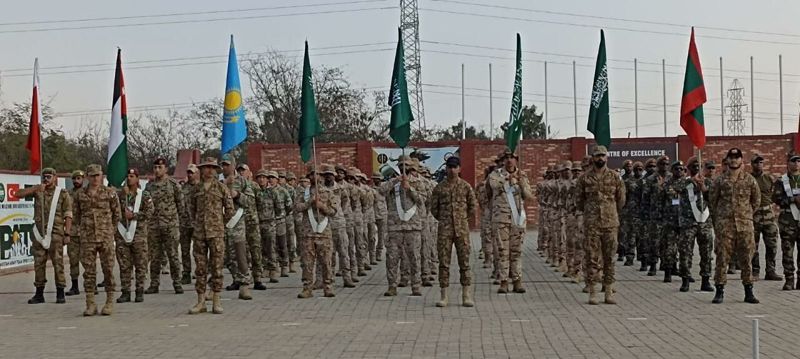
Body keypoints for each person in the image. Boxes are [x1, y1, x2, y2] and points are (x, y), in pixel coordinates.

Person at [709, 148, 760, 304]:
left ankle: (748, 290)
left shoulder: (750, 180)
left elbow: (756, 201)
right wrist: (719, 221)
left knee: (746, 259)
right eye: (731, 158)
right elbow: (713, 201)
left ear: (741, 160)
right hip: (725, 226)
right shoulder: (720, 180)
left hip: (745, 225)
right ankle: (719, 290)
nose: (733, 160)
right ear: (727, 161)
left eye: (736, 157)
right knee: (722, 258)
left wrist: (746, 215)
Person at [576, 146, 626, 305]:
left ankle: (609, 291)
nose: (600, 159)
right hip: (592, 224)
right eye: (597, 156)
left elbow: (621, 200)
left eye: (603, 156)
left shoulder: (615, 177)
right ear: (592, 158)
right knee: (592, 258)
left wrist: (611, 212)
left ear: (607, 157)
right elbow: (579, 201)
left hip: (610, 224)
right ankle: (592, 291)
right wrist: (591, 212)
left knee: (609, 258)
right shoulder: (584, 178)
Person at [15, 168, 73, 304]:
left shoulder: (62, 194)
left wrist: (67, 233)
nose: (46, 179)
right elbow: (18, 194)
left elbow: (68, 214)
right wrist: (35, 188)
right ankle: (39, 294)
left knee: (58, 263)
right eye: (44, 177)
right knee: (38, 264)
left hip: (56, 233)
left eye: (49, 176)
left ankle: (60, 293)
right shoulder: (38, 191)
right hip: (39, 233)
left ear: (55, 178)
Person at [188, 158, 235, 314]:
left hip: (216, 233)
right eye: (206, 167)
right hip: (200, 233)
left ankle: (216, 300)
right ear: (201, 170)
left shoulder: (221, 188)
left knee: (217, 267)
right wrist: (196, 224)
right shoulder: (196, 189)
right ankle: (201, 301)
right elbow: (191, 209)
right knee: (200, 268)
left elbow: (229, 210)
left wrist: (219, 223)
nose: (209, 170)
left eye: (212, 168)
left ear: (216, 170)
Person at [430, 156, 477, 307]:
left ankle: (466, 295)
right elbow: (434, 209)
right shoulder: (439, 188)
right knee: (444, 262)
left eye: (455, 167)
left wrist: (462, 219)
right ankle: (444, 295)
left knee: (464, 262)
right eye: (449, 167)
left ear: (459, 168)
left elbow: (472, 206)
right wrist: (445, 220)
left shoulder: (465, 187)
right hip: (445, 230)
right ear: (446, 168)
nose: (452, 170)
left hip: (461, 230)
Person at [74, 164, 120, 316]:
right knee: (89, 271)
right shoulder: (80, 194)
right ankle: (90, 303)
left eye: (98, 175)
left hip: (105, 236)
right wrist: (82, 230)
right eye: (92, 175)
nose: (95, 178)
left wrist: (110, 230)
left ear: (102, 176)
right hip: (88, 238)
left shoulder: (109, 193)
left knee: (108, 269)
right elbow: (77, 215)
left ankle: (109, 301)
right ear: (87, 177)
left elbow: (116, 214)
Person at [488, 149, 533, 294]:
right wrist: (508, 179)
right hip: (501, 218)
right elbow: (494, 186)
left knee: (517, 251)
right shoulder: (495, 175)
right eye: (506, 158)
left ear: (516, 159)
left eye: (512, 157)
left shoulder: (522, 175)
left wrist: (520, 182)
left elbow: (528, 196)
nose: (509, 160)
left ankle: (517, 280)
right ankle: (503, 281)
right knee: (503, 251)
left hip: (517, 219)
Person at [381, 155, 426, 296]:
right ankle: (392, 285)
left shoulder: (417, 182)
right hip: (395, 227)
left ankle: (416, 285)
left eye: (406, 165)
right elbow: (380, 191)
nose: (403, 168)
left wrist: (409, 188)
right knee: (392, 258)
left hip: (413, 227)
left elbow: (422, 200)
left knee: (414, 257)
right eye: (401, 166)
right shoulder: (393, 182)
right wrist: (396, 181)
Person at [295, 165, 337, 298]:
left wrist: (322, 207)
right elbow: (297, 207)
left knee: (326, 262)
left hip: (324, 233)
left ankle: (328, 287)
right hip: (308, 233)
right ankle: (307, 288)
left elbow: (334, 211)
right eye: (312, 174)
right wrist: (309, 202)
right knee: (307, 262)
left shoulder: (329, 193)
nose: (315, 177)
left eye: (318, 174)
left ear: (322, 176)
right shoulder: (303, 193)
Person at [144, 157, 184, 295]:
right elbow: (146, 205)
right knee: (155, 256)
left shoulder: (174, 185)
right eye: (155, 167)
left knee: (173, 255)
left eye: (160, 167)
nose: (157, 170)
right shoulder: (149, 186)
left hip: (170, 226)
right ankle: (154, 284)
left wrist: (178, 224)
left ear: (166, 169)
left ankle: (177, 283)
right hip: (154, 226)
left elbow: (181, 206)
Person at [114, 168, 153, 303]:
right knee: (124, 265)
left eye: (132, 176)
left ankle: (139, 291)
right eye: (127, 176)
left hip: (139, 235)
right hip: (122, 235)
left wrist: (134, 215)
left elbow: (149, 213)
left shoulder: (144, 195)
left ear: (137, 178)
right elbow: (113, 211)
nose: (129, 179)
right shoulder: (120, 195)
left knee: (140, 264)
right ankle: (125, 292)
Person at [220, 154, 253, 300]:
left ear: (233, 165)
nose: (225, 167)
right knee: (225, 255)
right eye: (223, 165)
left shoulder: (243, 181)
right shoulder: (218, 182)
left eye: (227, 164)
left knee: (240, 254)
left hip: (237, 222)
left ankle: (245, 284)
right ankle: (235, 279)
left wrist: (237, 195)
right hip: (221, 222)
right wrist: (225, 184)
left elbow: (250, 201)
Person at [679, 157, 715, 292]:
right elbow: (673, 188)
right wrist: (691, 181)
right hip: (688, 223)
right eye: (693, 166)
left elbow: (713, 197)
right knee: (685, 252)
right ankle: (685, 280)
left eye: (698, 166)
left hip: (704, 223)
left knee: (706, 253)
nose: (695, 168)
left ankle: (705, 280)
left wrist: (703, 188)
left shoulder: (709, 182)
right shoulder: (683, 182)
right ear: (688, 168)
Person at [321, 165, 356, 288]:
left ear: (334, 176)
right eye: (326, 175)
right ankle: (329, 279)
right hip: (325, 225)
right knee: (329, 254)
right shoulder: (321, 189)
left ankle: (347, 278)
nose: (328, 177)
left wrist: (341, 214)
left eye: (330, 174)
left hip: (340, 224)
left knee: (344, 252)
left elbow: (347, 202)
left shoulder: (341, 189)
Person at [749, 154, 783, 281]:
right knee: (753, 245)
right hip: (754, 214)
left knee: (772, 244)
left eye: (761, 163)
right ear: (752, 165)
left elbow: (775, 194)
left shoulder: (769, 178)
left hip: (768, 214)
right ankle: (755, 271)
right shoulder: (748, 179)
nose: (759, 165)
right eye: (756, 163)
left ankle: (770, 270)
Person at [772, 153, 800, 290]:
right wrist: (793, 200)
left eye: (798, 161)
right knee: (787, 252)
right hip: (787, 221)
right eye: (793, 161)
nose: (796, 164)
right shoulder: (781, 181)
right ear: (788, 163)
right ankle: (789, 279)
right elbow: (776, 199)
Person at [237, 164, 265, 290]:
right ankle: (240, 278)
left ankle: (257, 278)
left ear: (249, 172)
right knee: (241, 252)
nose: (241, 173)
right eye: (239, 171)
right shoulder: (235, 186)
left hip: (252, 223)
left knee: (255, 250)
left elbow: (260, 203)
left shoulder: (254, 186)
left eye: (244, 171)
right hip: (238, 222)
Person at [658, 161, 687, 283]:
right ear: (672, 170)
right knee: (669, 248)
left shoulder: (688, 183)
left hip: (685, 220)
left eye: (681, 169)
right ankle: (668, 272)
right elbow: (663, 198)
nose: (679, 171)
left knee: (685, 248)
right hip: (670, 220)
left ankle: (685, 272)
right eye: (676, 169)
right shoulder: (666, 183)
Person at [643, 156, 670, 276]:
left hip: (669, 215)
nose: (664, 166)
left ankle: (667, 265)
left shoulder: (671, 178)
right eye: (662, 164)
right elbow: (645, 198)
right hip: (655, 215)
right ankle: (653, 265)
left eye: (666, 164)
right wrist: (645, 215)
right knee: (654, 241)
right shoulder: (650, 179)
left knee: (668, 242)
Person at [620, 162, 645, 267]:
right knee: (630, 235)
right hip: (630, 212)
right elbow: (623, 197)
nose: (638, 171)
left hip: (643, 212)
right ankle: (629, 257)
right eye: (636, 169)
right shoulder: (628, 181)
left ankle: (642, 257)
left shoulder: (645, 181)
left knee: (642, 236)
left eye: (640, 169)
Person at [179, 164, 199, 285]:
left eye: (192, 172)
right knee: (184, 250)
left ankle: (199, 272)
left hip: (196, 223)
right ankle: (186, 273)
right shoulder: (182, 188)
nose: (190, 175)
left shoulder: (200, 187)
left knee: (198, 250)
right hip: (184, 223)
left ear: (197, 173)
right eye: (188, 172)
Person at [65, 170, 84, 296]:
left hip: (85, 231)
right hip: (72, 231)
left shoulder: (87, 192)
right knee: (73, 260)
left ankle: (91, 285)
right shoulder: (68, 194)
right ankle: (74, 286)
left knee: (88, 260)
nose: (76, 181)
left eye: (78, 178)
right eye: (74, 178)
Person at [372, 173, 389, 261]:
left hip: (383, 215)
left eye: (378, 179)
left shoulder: (384, 189)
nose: (376, 180)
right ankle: (372, 254)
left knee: (381, 236)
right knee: (371, 236)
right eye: (375, 179)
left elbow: (389, 200)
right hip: (373, 215)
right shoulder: (371, 189)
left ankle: (378, 253)